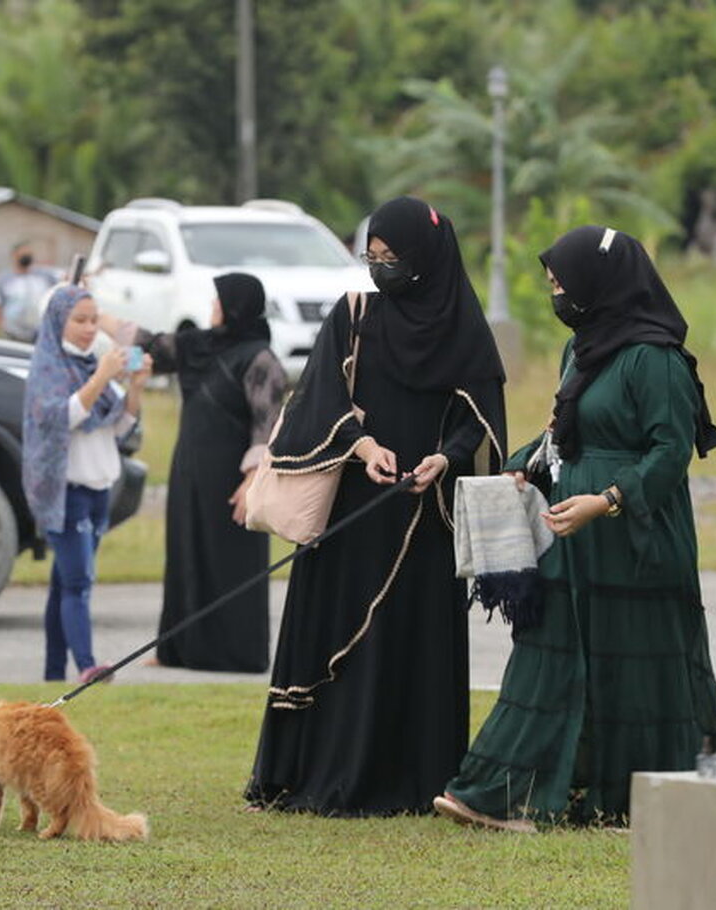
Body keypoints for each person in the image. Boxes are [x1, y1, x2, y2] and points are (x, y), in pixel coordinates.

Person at [435, 226, 716, 830]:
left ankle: (635, 797)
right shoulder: (583, 350)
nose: (557, 294)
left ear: (602, 285)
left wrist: (608, 500)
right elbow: (563, 431)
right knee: (551, 655)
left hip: (635, 535)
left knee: (634, 662)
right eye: (552, 285)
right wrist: (523, 468)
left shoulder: (656, 359)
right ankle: (501, 790)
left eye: (563, 283)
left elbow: (670, 453)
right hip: (573, 530)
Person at [244, 196, 507, 816]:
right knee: (339, 633)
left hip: (424, 511)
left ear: (427, 259)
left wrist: (446, 457)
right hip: (353, 507)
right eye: (373, 255)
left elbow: (478, 416)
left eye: (393, 259)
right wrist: (361, 444)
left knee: (411, 642)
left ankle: (415, 780)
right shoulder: (355, 313)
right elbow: (318, 397)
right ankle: (320, 775)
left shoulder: (464, 327)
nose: (380, 268)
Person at [103, 273, 286, 672]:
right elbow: (149, 345)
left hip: (232, 479)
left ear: (237, 306)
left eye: (219, 303)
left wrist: (253, 480)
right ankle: (178, 650)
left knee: (230, 563)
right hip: (190, 470)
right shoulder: (200, 345)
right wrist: (94, 314)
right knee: (186, 554)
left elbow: (268, 422)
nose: (212, 309)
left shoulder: (260, 359)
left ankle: (235, 655)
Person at [23, 285, 152, 684]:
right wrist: (102, 375)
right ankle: (88, 667)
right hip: (64, 492)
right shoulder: (47, 367)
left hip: (99, 488)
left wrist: (134, 387)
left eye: (94, 320)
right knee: (79, 581)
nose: (88, 328)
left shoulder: (89, 364)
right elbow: (61, 418)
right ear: (57, 321)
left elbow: (120, 427)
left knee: (65, 582)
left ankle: (52, 674)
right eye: (79, 320)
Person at [0, 241, 60, 342]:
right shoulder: (4, 279)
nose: (26, 257)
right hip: (12, 333)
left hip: (39, 333)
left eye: (29, 254)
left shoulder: (44, 276)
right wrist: (0, 329)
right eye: (23, 254)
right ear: (14, 255)